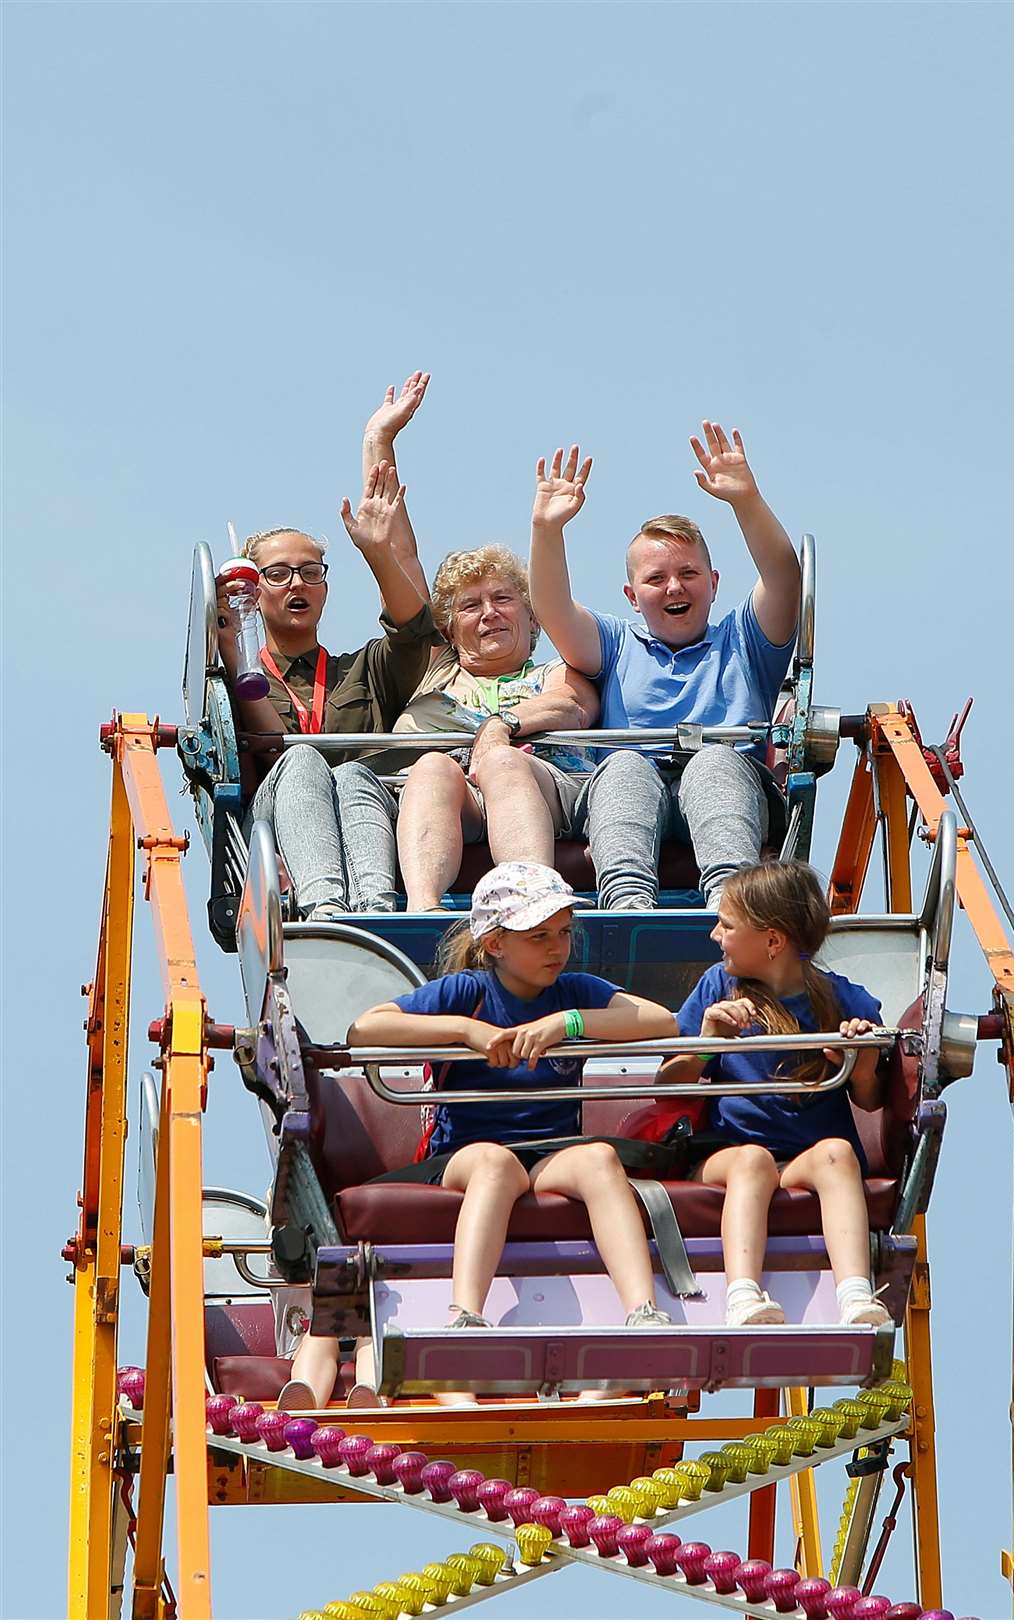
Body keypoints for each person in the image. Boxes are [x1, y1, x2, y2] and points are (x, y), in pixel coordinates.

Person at [281, 862, 678, 1408]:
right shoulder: (466, 991)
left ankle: (643, 1314)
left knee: (600, 1160)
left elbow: (661, 1023)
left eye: (563, 933)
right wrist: (466, 1030)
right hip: (466, 1152)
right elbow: (366, 1029)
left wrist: (569, 1024)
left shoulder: (576, 992)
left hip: (550, 1150)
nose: (556, 948)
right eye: (538, 936)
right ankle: (465, 1315)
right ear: (494, 943)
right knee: (494, 1164)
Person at [528, 424, 802, 910]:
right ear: (633, 597)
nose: (674, 587)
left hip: (726, 782)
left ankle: (731, 906)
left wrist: (746, 501)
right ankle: (626, 906)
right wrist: (547, 530)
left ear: (714, 583)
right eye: (657, 579)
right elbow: (553, 609)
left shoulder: (744, 639)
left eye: (688, 574)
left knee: (714, 763)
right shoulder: (615, 644)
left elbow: (784, 576)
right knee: (624, 767)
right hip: (636, 782)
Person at [217, 373, 439, 917]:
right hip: (275, 827)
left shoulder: (359, 672)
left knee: (353, 771)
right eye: (278, 574)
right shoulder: (235, 672)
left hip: (363, 815)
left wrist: (377, 551)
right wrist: (233, 652)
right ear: (252, 586)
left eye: (311, 572)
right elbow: (268, 752)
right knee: (303, 765)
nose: (297, 584)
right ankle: (328, 912)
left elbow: (415, 628)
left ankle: (377, 911)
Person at [656, 860, 891, 1329]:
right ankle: (742, 1293)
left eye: (726, 925)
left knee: (838, 1154)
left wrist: (859, 1059)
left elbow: (869, 1099)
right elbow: (669, 1086)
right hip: (729, 1152)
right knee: (753, 1161)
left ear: (771, 941)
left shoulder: (844, 999)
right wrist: (708, 1040)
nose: (714, 936)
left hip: (805, 1157)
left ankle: (855, 1294)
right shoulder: (716, 988)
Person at [392, 547, 599, 911]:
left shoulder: (554, 671)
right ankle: (423, 909)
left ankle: (531, 899)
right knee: (431, 767)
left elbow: (574, 705)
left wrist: (500, 726)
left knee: (503, 762)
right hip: (463, 799)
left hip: (542, 790)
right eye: (470, 606)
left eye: (503, 598)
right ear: (450, 631)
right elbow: (404, 580)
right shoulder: (433, 677)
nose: (489, 613)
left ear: (533, 618)